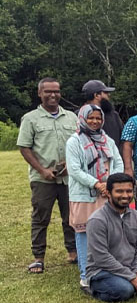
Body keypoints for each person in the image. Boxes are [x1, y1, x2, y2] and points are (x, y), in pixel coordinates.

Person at [17, 77, 79, 273]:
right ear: (39, 93)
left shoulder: (71, 117)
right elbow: (24, 147)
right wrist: (42, 170)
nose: (53, 95)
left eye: (56, 91)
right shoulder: (30, 118)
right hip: (42, 179)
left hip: (68, 177)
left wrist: (70, 164)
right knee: (41, 216)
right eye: (48, 91)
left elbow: (79, 143)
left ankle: (73, 252)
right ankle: (38, 257)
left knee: (71, 216)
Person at [84, 173, 137, 302]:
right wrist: (131, 277)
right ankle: (94, 288)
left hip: (133, 267)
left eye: (129, 191)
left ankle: (128, 283)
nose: (125, 195)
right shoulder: (97, 220)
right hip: (103, 270)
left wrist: (136, 271)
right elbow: (101, 257)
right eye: (119, 191)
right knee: (125, 291)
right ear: (108, 193)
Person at [65, 104, 124, 289]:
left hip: (107, 193)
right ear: (83, 118)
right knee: (85, 233)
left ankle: (109, 269)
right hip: (85, 195)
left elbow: (118, 162)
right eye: (91, 117)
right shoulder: (74, 141)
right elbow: (74, 169)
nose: (95, 121)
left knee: (108, 232)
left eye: (98, 118)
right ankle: (86, 275)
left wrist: (110, 184)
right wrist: (97, 184)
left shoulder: (107, 140)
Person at [81, 79, 124, 149]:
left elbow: (123, 141)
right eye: (106, 93)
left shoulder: (114, 116)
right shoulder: (78, 116)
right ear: (96, 95)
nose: (109, 95)